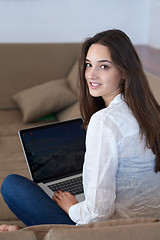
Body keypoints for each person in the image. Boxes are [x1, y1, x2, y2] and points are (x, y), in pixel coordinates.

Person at [1, 29, 160, 231]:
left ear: (123, 72)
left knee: (12, 185)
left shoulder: (104, 121)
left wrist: (72, 208)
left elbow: (97, 213)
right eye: (88, 65)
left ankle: (30, 233)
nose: (91, 75)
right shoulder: (151, 112)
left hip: (108, 230)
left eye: (104, 66)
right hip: (147, 224)